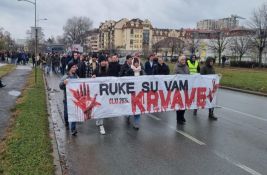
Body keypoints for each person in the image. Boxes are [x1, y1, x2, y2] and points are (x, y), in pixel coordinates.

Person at [59, 62, 79, 135]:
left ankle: (73, 129)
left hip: (74, 99)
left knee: (74, 114)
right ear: (70, 68)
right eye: (73, 67)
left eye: (75, 67)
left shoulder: (76, 76)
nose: (75, 68)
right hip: (67, 99)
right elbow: (60, 86)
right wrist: (64, 83)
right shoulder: (65, 76)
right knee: (67, 113)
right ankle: (67, 123)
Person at [92, 55, 109, 135]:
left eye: (104, 61)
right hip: (98, 93)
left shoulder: (108, 69)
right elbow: (92, 80)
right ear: (100, 62)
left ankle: (99, 120)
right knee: (100, 107)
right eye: (102, 61)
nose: (103, 62)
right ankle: (101, 126)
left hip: (106, 93)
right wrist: (93, 77)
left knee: (103, 108)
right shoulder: (96, 70)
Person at [174, 55, 190, 125]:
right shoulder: (176, 67)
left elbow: (188, 75)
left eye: (184, 59)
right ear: (179, 60)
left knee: (185, 103)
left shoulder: (186, 67)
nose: (183, 61)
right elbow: (175, 77)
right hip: (179, 88)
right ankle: (178, 118)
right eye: (182, 60)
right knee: (179, 104)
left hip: (186, 88)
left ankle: (182, 116)